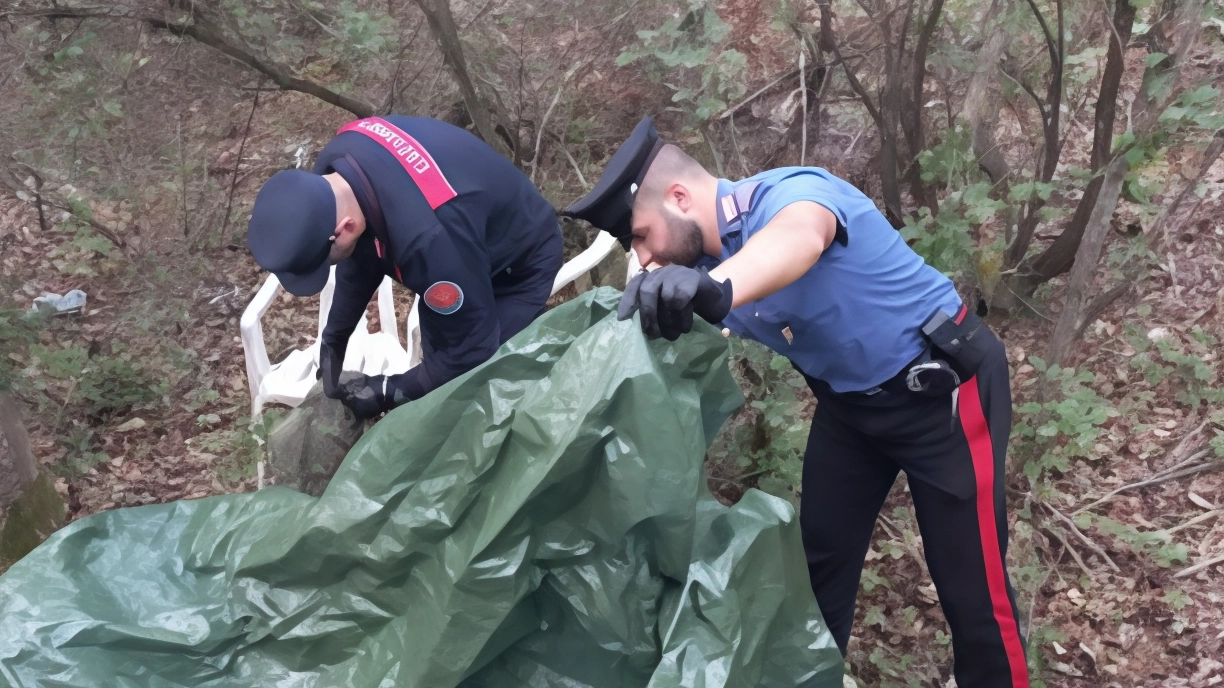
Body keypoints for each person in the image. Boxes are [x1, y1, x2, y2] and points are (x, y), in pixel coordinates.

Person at [564, 117, 1029, 688]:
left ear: (679, 197)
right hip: (850, 413)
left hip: (944, 395)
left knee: (970, 588)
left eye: (640, 236)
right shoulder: (699, 267)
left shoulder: (785, 194)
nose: (646, 257)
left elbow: (802, 237)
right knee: (818, 571)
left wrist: (718, 290)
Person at [248, 116, 563, 419]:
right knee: (439, 353)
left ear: (344, 227)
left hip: (517, 267)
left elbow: (470, 351)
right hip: (463, 242)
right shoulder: (338, 165)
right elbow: (361, 256)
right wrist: (334, 340)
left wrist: (386, 390)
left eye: (324, 261)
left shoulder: (430, 241)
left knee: (477, 382)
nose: (329, 265)